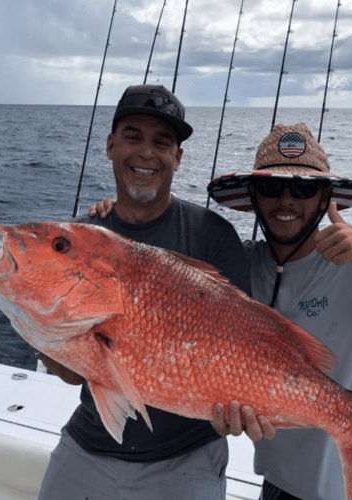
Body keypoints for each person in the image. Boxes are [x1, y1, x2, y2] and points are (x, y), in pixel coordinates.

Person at [89, 123, 352, 499]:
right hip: (279, 490)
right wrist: (123, 215)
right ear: (254, 198)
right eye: (271, 189)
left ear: (325, 198)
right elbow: (157, 277)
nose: (286, 200)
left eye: (304, 189)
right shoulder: (236, 269)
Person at [37, 84, 252, 500]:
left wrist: (241, 405)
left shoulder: (213, 236)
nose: (147, 153)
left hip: (187, 455)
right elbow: (67, 374)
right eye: (133, 137)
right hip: (90, 441)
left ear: (178, 157)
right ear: (111, 145)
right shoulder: (79, 239)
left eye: (162, 142)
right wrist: (45, 326)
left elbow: (243, 344)